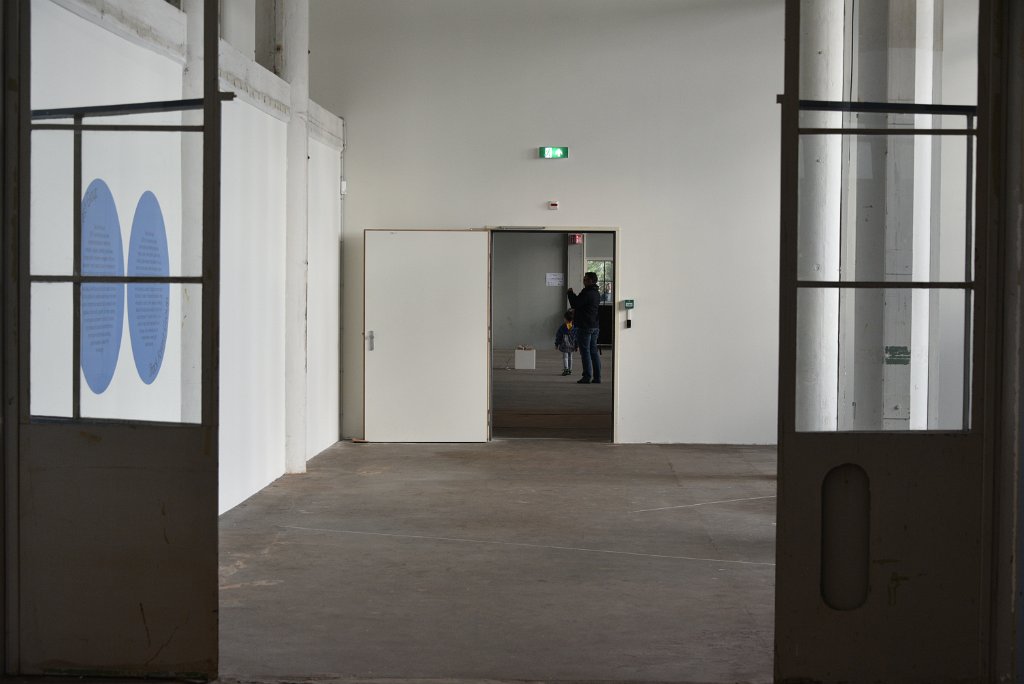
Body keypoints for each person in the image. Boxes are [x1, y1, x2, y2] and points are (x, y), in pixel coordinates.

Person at [566, 272, 601, 384]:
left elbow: (575, 304)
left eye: (585, 279)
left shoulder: (587, 293)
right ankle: (597, 377)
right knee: (593, 351)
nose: (583, 281)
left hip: (585, 326)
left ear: (590, 281)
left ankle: (587, 377)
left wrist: (570, 293)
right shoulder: (596, 293)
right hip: (594, 326)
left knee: (585, 352)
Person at [554, 309, 578, 376]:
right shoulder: (575, 328)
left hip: (564, 345)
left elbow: (558, 336)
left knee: (565, 357)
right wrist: (576, 346)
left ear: (565, 319)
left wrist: (556, 344)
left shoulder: (562, 327)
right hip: (572, 345)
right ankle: (570, 370)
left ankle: (566, 369)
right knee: (570, 357)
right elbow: (577, 338)